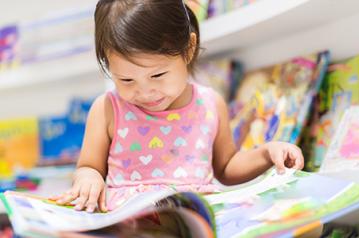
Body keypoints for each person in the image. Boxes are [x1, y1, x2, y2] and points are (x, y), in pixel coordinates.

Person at [53, 0, 304, 213]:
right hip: (132, 219)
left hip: (196, 216)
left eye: (157, 75)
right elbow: (88, 166)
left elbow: (227, 168)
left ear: (189, 48)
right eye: (126, 80)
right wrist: (88, 178)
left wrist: (267, 153)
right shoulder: (107, 109)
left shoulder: (210, 104)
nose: (144, 91)